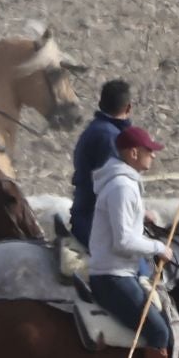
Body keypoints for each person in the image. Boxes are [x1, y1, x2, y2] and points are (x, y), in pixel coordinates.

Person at [89, 125, 179, 358]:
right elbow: (122, 241)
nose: (152, 155)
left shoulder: (123, 184)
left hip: (122, 272)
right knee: (158, 331)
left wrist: (142, 220)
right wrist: (159, 247)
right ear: (133, 153)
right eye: (149, 150)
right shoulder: (122, 186)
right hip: (113, 277)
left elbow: (126, 228)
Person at [69, 79, 132, 247]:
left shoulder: (96, 129)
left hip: (86, 214)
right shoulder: (109, 137)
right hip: (95, 220)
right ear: (128, 108)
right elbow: (113, 184)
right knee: (140, 267)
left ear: (100, 104)